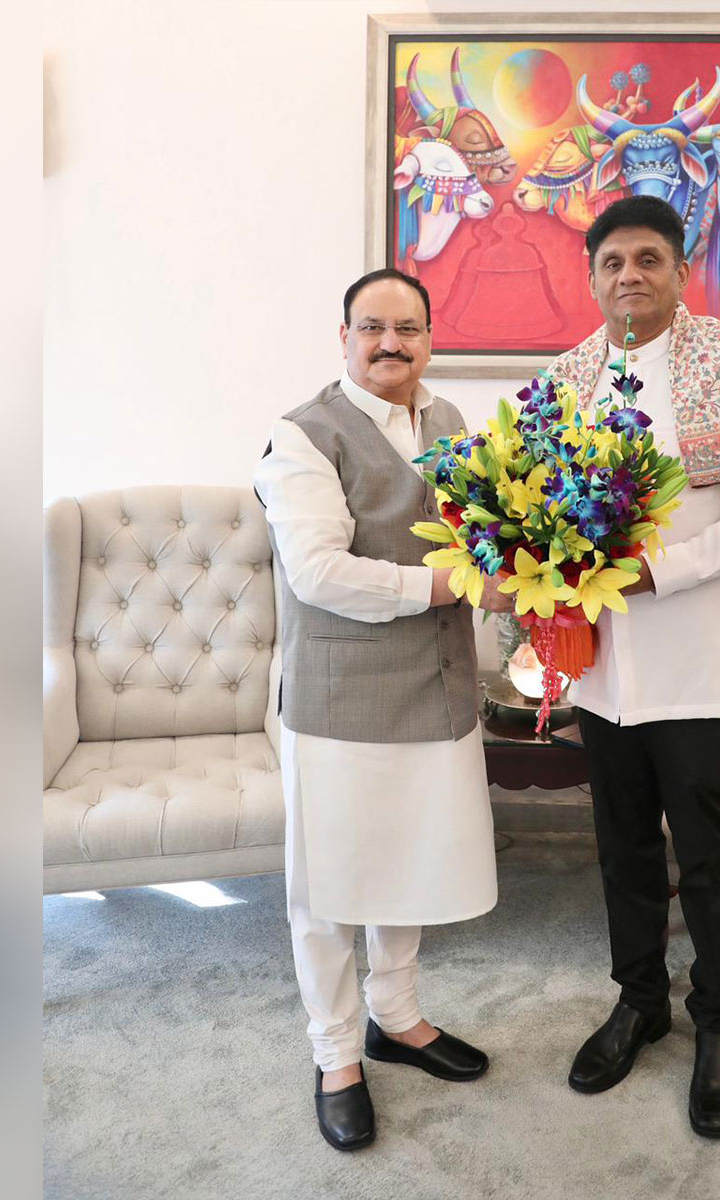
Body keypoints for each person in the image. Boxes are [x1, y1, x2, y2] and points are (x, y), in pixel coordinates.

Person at [545, 195, 720, 1138]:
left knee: (706, 849)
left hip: (694, 661)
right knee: (619, 843)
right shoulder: (567, 378)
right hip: (603, 666)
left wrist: (663, 570)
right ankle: (639, 1001)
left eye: (648, 259)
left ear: (681, 270)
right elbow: (541, 516)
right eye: (612, 262)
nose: (629, 276)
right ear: (593, 276)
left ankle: (719, 1025)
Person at [254, 267, 515, 1151]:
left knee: (404, 862)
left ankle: (395, 1017)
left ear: (431, 339)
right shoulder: (303, 437)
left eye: (408, 329)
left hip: (435, 689)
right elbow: (318, 572)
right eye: (372, 328)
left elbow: (483, 536)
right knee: (328, 886)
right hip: (339, 698)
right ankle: (334, 1055)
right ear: (343, 337)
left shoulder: (448, 425)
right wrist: (449, 583)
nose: (391, 344)